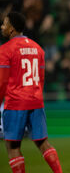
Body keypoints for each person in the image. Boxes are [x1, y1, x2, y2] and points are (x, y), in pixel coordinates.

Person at [0, 12, 62, 173]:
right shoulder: (38, 48)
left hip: (16, 103)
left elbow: (2, 82)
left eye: (5, 23)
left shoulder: (5, 50)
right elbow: (41, 79)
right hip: (36, 101)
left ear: (12, 28)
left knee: (12, 145)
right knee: (43, 143)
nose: (2, 26)